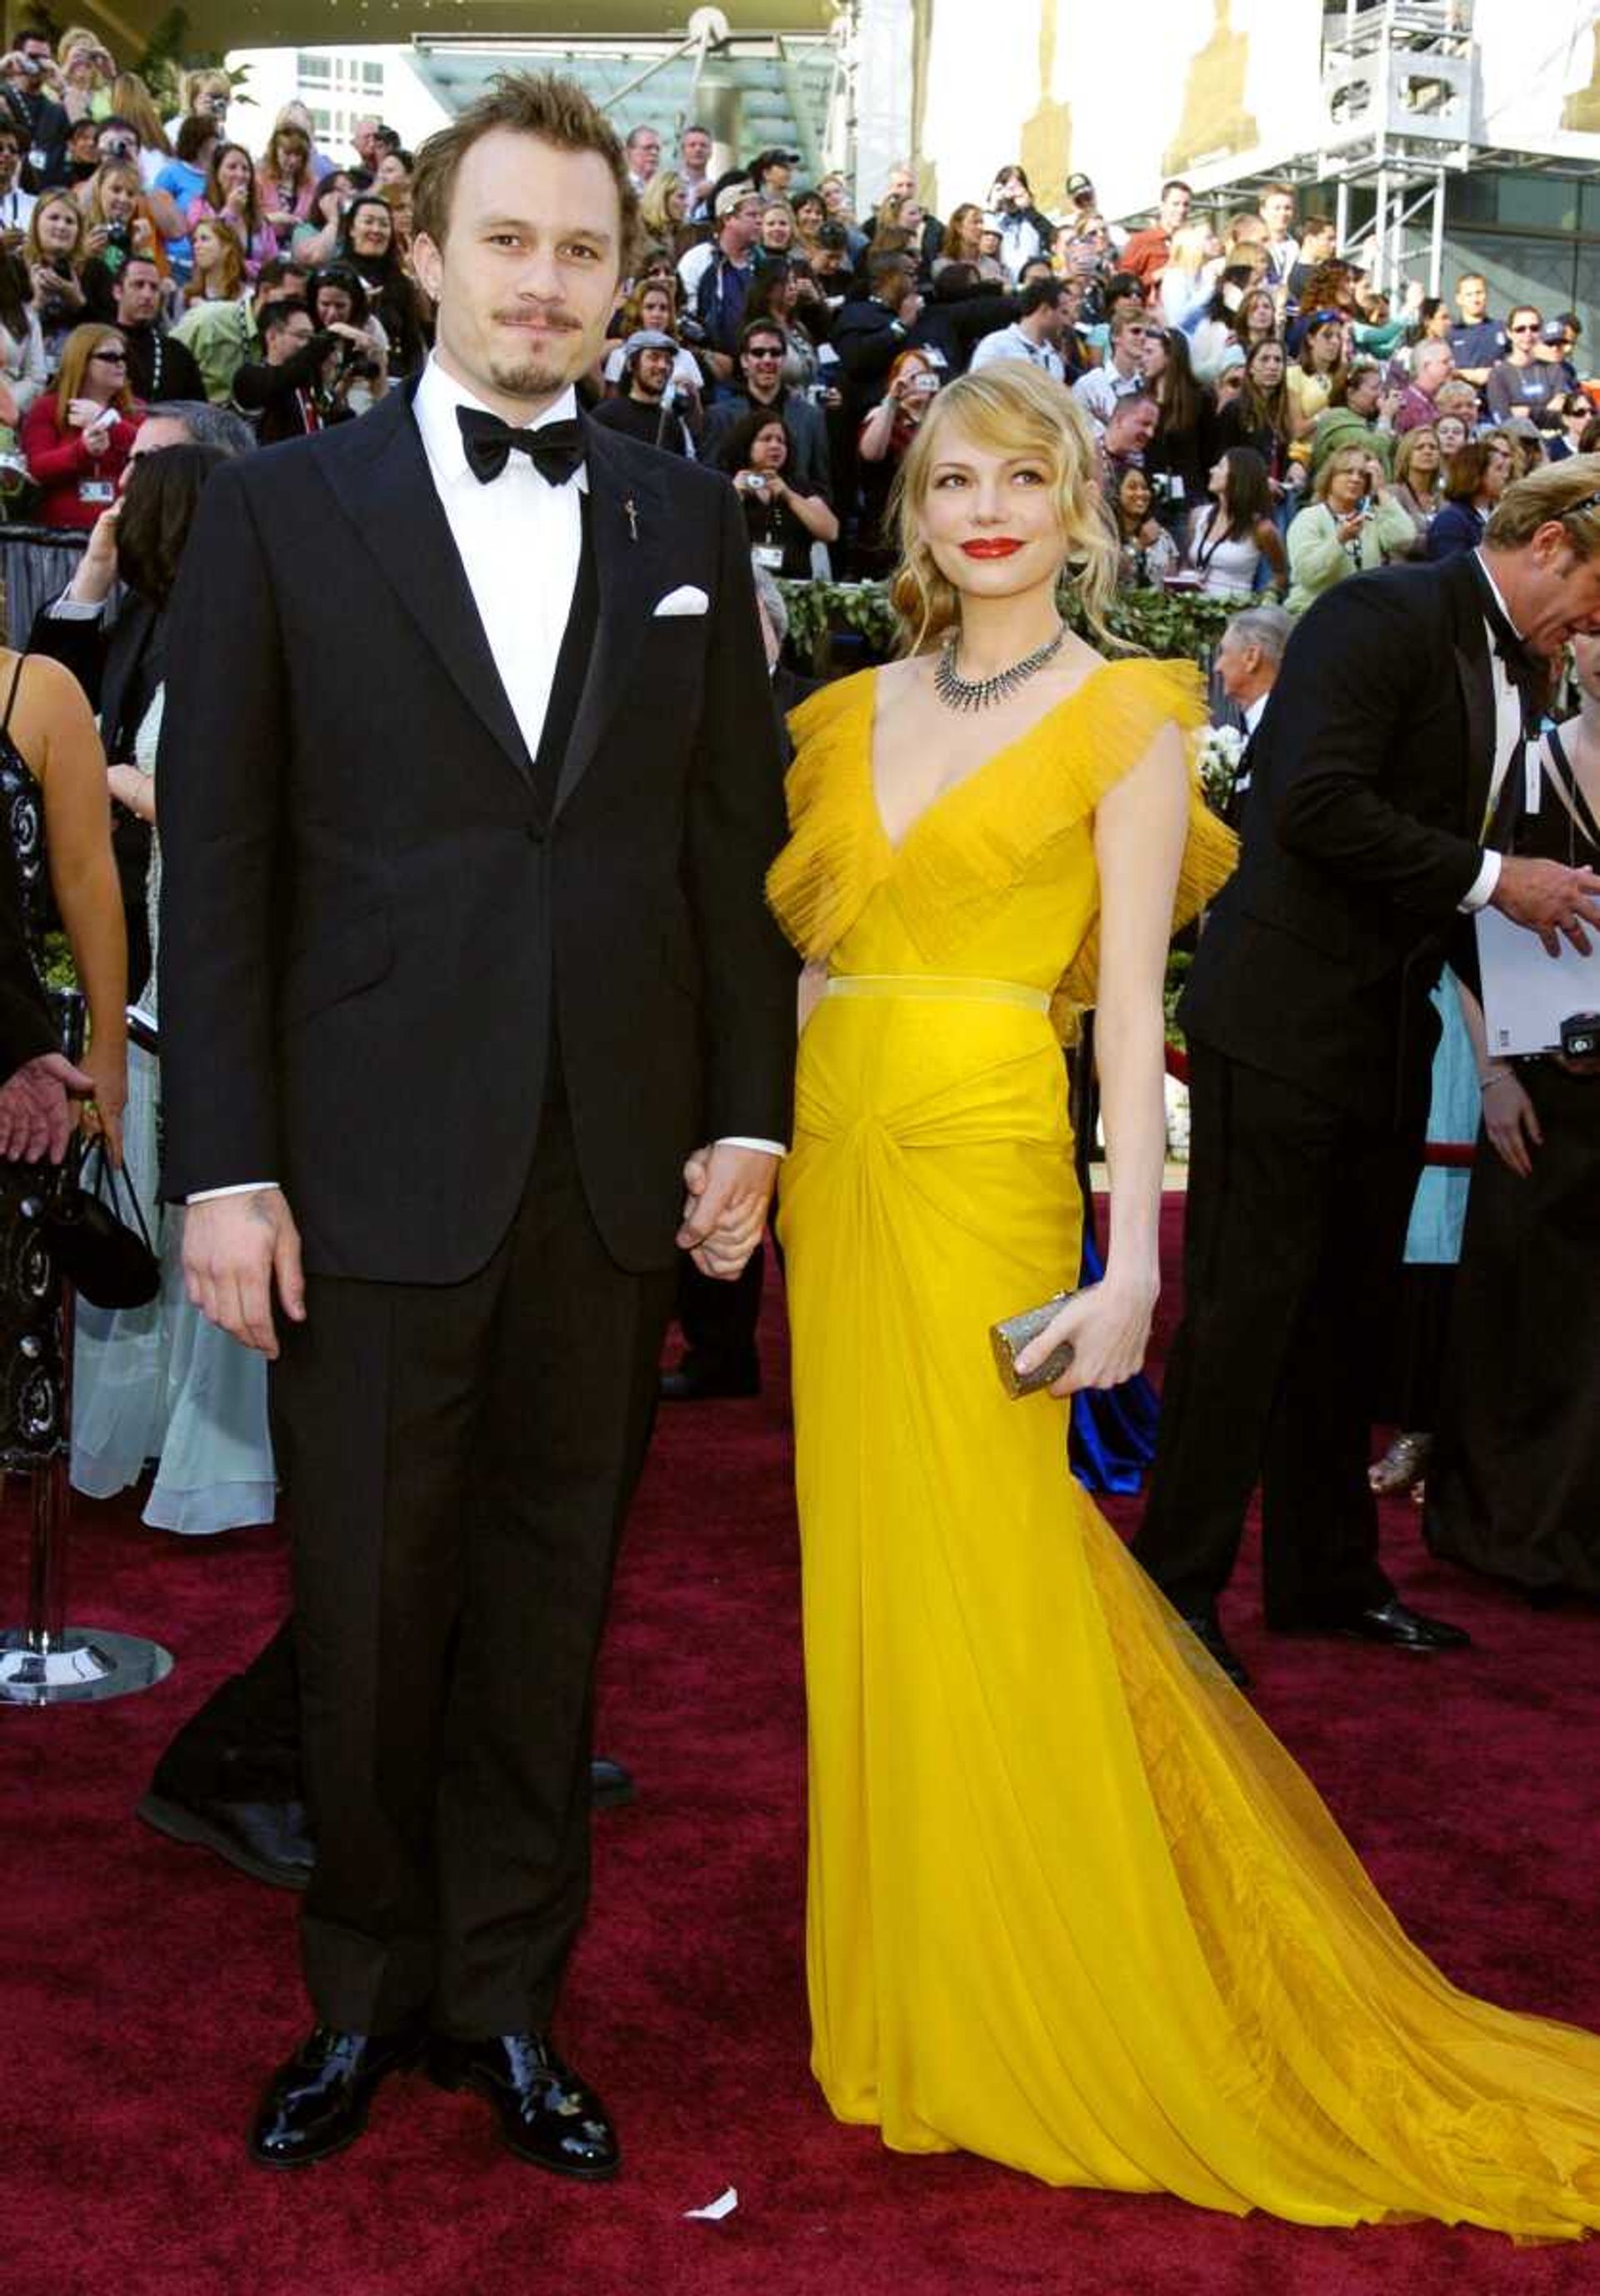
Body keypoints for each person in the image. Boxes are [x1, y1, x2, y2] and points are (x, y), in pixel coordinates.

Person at [766, 354, 1600, 2231]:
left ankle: (1041, 1956)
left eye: (1027, 480)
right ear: (914, 506)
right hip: (837, 1166)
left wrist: (1134, 1265)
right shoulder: (842, 719)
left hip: (984, 1157)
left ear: (1079, 506)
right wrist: (738, 1158)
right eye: (957, 479)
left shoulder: (1124, 715)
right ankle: (912, 1947)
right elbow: (819, 975)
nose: (987, 510)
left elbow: (1136, 1013)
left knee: (991, 1549)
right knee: (871, 1566)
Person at [158, 69, 795, 2174]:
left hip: (610, 1171)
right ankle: (362, 1992)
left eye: (584, 250)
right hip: (356, 1169)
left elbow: (726, 850)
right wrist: (222, 1161)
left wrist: (745, 1119)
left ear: (625, 280)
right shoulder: (274, 505)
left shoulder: (684, 513)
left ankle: (506, 2004)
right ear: (424, 255)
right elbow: (220, 862)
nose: (546, 284)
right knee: (361, 1614)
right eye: (507, 240)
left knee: (548, 1606)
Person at [1134, 454, 1600, 1692]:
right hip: (1285, 1022)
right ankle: (1173, 1598)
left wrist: (1503, 1037)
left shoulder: (1525, 667)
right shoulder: (1378, 614)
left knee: (1345, 1324)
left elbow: (1440, 864)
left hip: (1392, 1035)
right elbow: (1314, 803)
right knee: (1244, 1317)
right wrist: (1506, 882)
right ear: (1552, 543)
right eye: (1597, 597)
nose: (1595, 629)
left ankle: (1326, 1578)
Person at [70, 442, 277, 1532]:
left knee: (200, 1205)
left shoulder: (233, 633)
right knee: (148, 1202)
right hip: (162, 972)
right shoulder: (161, 622)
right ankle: (155, 1439)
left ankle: (216, 1461)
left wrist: (115, 782)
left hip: (209, 972)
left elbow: (222, 805)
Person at [1424, 631, 1600, 1599]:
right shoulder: (1522, 770)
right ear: (1571, 640)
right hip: (1537, 1089)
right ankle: (1510, 1531)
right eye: (1596, 626)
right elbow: (1463, 924)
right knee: (1524, 1312)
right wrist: (1492, 1077)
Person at [21, 321, 139, 526]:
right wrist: (82, 450)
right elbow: (36, 468)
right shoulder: (48, 407)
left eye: (123, 357)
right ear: (81, 362)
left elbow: (155, 456)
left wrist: (107, 421)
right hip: (60, 538)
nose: (121, 363)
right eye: (109, 357)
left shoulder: (135, 409)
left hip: (122, 531)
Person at [1284, 445, 1415, 615]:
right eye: (1347, 472)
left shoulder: (1370, 519)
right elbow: (1307, 574)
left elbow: (1404, 538)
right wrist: (1339, 540)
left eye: (1363, 475)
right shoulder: (1309, 518)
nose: (1356, 479)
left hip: (1360, 615)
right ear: (1330, 478)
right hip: (1314, 614)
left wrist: (1381, 490)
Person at [718, 408, 838, 575]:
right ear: (747, 444)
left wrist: (788, 496)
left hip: (793, 587)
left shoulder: (798, 487)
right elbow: (706, 532)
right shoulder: (726, 483)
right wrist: (734, 494)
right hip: (741, 584)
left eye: (781, 441)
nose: (775, 446)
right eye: (766, 439)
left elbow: (831, 532)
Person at [1212, 601, 1290, 827]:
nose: (1217, 666)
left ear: (1251, 658)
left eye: (1224, 653)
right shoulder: (1268, 725)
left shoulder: (1281, 734)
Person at [1183, 446, 1286, 597]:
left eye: (1220, 466)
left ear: (1238, 476)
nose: (1212, 470)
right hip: (1193, 609)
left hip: (1236, 612)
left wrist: (1266, 599)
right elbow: (1189, 566)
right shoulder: (1198, 516)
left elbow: (1281, 573)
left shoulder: (1262, 529)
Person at [109, 252, 203, 401]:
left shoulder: (177, 353)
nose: (147, 295)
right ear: (118, 292)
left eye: (154, 287)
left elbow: (197, 414)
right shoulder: (96, 346)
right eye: (138, 285)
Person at [587, 326, 692, 454]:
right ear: (631, 364)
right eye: (654, 357)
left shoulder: (672, 424)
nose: (663, 366)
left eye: (668, 360)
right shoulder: (605, 417)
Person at [1426, 432, 1515, 562]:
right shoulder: (1451, 521)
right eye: (1498, 469)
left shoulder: (1499, 516)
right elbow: (1452, 573)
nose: (1505, 476)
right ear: (1476, 474)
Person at [967, 275, 1068, 382]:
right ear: (1045, 309)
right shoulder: (996, 345)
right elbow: (977, 391)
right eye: (1063, 312)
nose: (1067, 322)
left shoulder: (1054, 360)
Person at [1487, 306, 1571, 433]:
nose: (1528, 333)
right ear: (1509, 333)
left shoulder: (1554, 369)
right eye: (1520, 329)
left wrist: (1529, 413)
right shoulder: (1498, 375)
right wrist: (1547, 411)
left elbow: (1565, 418)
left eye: (1534, 328)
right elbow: (1504, 423)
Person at [1111, 463, 1178, 589]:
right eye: (1132, 487)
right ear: (1116, 493)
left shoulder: (1163, 536)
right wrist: (1139, 545)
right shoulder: (1104, 534)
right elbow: (1107, 573)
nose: (1141, 493)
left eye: (1145, 488)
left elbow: (1171, 585)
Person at [1447, 272, 1508, 388]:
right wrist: (1468, 375)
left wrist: (1495, 373)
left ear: (1486, 295)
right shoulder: (1450, 334)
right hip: (1462, 400)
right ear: (1459, 299)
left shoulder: (1501, 328)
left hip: (1497, 400)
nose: (1475, 299)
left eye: (1479, 293)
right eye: (1469, 294)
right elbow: (1441, 370)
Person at [1389, 423, 1443, 553]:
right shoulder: (1392, 494)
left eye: (1433, 447)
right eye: (1420, 447)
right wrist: (1446, 540)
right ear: (1407, 455)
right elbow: (1402, 541)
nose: (1428, 451)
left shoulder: (1445, 497)